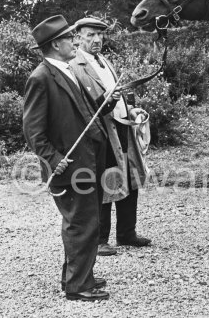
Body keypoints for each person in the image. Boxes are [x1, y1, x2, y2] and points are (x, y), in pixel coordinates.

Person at [23, 15, 120, 301]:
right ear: (56, 44)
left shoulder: (67, 70)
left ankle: (76, 276)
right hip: (69, 167)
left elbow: (85, 112)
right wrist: (53, 160)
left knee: (87, 221)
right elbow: (33, 131)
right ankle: (79, 287)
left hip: (87, 160)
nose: (75, 41)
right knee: (81, 223)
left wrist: (107, 103)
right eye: (70, 38)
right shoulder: (40, 77)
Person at [71, 17, 151, 256]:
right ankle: (99, 240)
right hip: (101, 133)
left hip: (121, 127)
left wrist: (130, 109)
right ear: (77, 37)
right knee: (106, 182)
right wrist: (108, 103)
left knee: (130, 177)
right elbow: (84, 106)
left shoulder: (104, 60)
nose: (97, 40)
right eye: (90, 35)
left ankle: (127, 233)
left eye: (100, 35)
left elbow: (116, 94)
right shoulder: (75, 65)